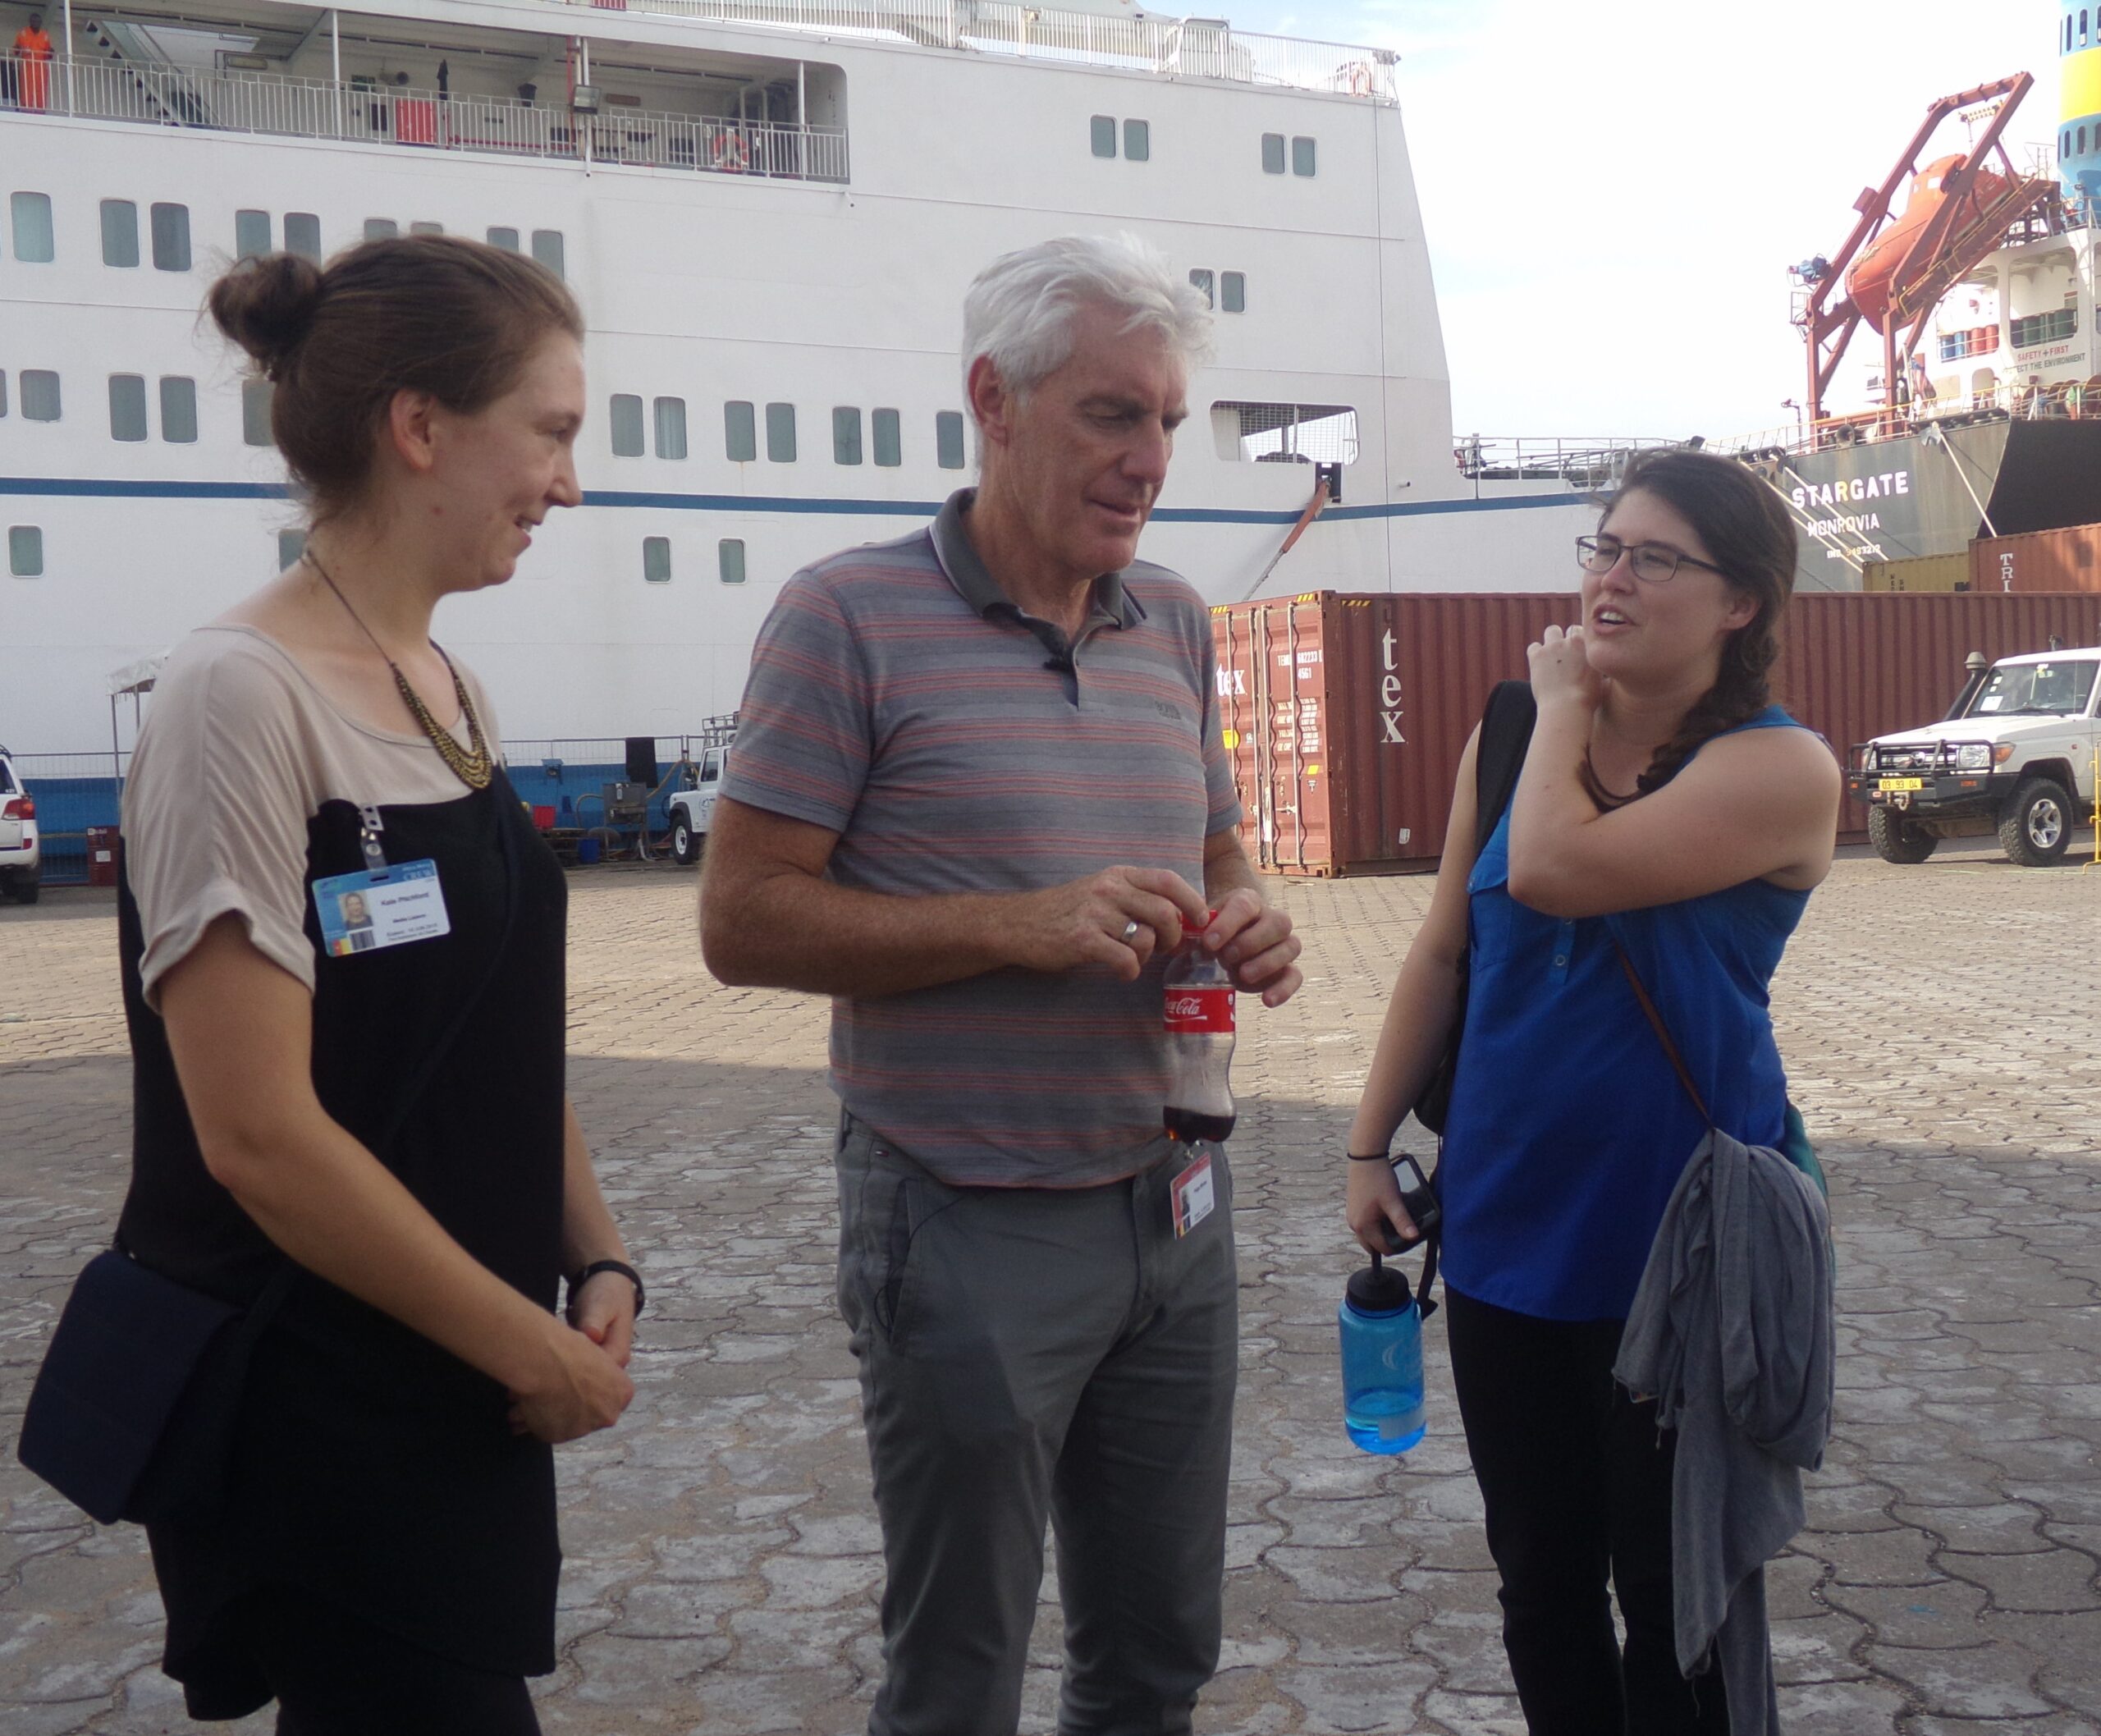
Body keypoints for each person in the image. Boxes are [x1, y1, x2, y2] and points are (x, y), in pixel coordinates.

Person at [700, 232, 1303, 1736]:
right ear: (996, 398)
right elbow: (742, 924)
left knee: (1158, 1658)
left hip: (1176, 1208)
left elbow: (1218, 845)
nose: (1151, 455)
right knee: (962, 1675)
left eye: (1166, 418)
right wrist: (1018, 926)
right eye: (1113, 413)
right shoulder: (845, 617)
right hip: (964, 1222)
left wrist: (1249, 914)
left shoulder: (1168, 618)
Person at [116, 234, 638, 1734]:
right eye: (549, 432)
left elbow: (483, 1034)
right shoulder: (240, 697)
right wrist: (528, 1341)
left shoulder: (448, 688)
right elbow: (255, 1137)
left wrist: (594, 1259)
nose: (570, 481)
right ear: (420, 427)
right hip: (323, 1403)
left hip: (454, 1380)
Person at [1343, 447, 1840, 1734]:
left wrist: (1559, 708)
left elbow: (1559, 870)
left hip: (1676, 1248)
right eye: (1603, 547)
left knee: (1677, 1604)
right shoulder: (1509, 731)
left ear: (1740, 603)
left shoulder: (1779, 769)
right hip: (1506, 1226)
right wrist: (1363, 1144)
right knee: (1541, 1585)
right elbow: (1448, 943)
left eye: (1653, 557)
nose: (1612, 577)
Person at [12, 11, 53, 110]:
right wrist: (18, 48)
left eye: (38, 21)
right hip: (28, 65)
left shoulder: (45, 35)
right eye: (34, 21)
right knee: (26, 88)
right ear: (30, 22)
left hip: (41, 66)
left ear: (41, 23)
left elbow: (49, 55)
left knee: (41, 90)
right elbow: (16, 51)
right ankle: (26, 109)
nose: (36, 23)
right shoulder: (23, 34)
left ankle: (40, 110)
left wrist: (51, 51)